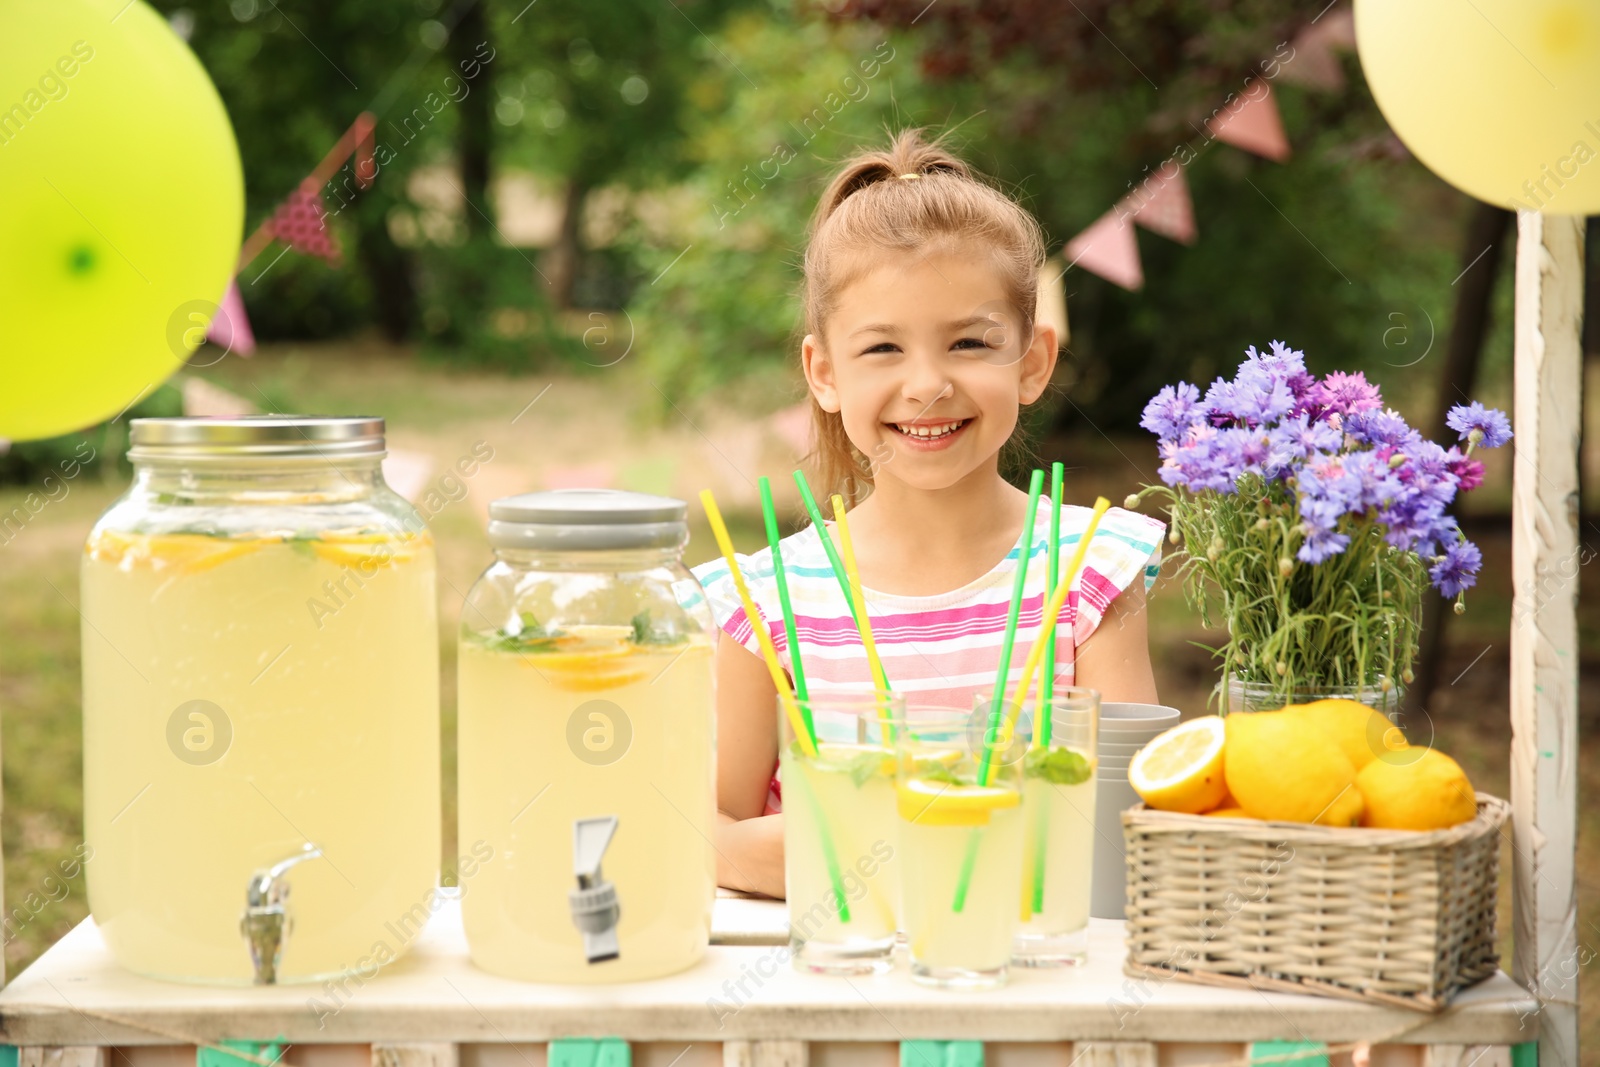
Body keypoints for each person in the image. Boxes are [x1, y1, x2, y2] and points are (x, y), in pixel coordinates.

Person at [684, 128, 1166, 899]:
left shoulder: (1093, 575)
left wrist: (863, 837)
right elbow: (702, 833)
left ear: (1033, 361)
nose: (928, 384)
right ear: (824, 372)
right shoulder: (763, 600)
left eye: (970, 342)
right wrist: (946, 837)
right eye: (882, 349)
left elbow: (1123, 831)